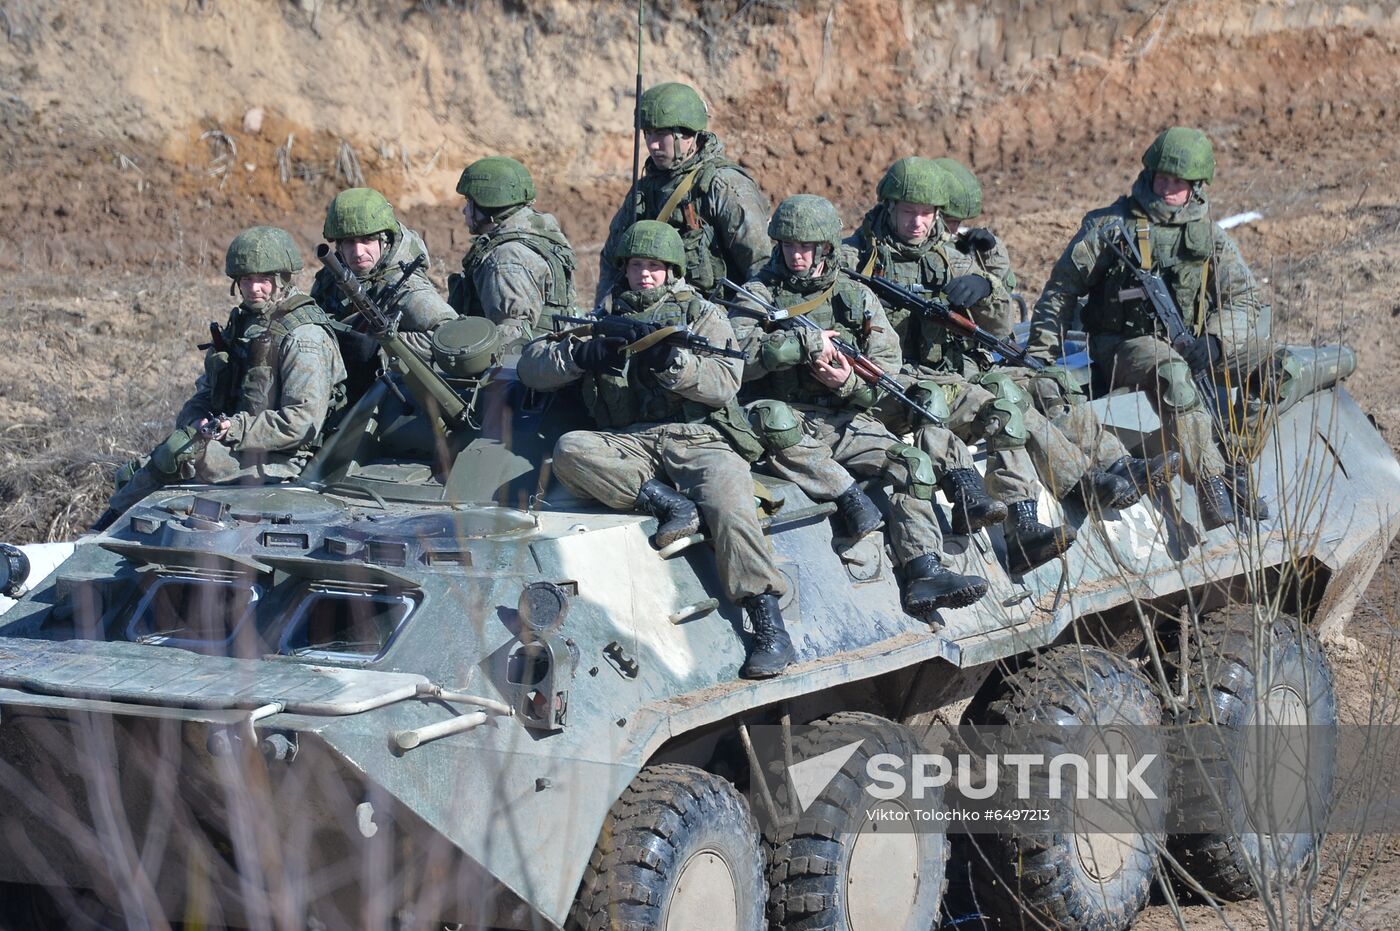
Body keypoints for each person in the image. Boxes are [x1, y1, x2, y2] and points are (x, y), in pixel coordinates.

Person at [517, 220, 796, 679]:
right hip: (629, 440)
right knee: (570, 451)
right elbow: (532, 366)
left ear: (672, 270)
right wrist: (581, 356)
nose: (645, 275)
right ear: (623, 270)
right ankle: (667, 503)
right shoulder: (600, 316)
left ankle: (767, 622)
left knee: (731, 499)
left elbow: (726, 382)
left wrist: (675, 364)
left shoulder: (702, 314)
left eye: (655, 267)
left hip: (697, 437)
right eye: (636, 266)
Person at [731, 194, 991, 614]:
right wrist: (799, 345)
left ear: (826, 248)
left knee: (911, 463)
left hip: (844, 416)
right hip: (786, 419)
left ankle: (924, 570)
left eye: (806, 247)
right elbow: (736, 355)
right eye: (788, 246)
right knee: (771, 418)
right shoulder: (757, 294)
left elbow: (888, 366)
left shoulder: (854, 295)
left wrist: (848, 381)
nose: (796, 255)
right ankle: (846, 494)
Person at [1028, 127, 1272, 528]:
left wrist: (1217, 339)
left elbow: (1243, 297)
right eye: (1161, 178)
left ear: (1196, 186)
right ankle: (1212, 486)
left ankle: (1237, 463)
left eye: (1177, 182)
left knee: (1277, 365)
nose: (1166, 188)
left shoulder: (1207, 233)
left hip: (1192, 341)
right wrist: (1041, 357)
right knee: (1174, 376)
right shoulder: (1111, 226)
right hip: (1126, 347)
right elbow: (1062, 291)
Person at [94, 227, 346, 530]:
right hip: (239, 442)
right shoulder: (246, 323)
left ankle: (107, 533)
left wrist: (233, 428)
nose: (254, 289)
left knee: (177, 458)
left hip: (288, 459)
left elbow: (301, 422)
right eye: (246, 280)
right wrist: (196, 420)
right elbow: (208, 390)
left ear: (283, 280)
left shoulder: (304, 337)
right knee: (137, 470)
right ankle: (110, 533)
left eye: (264, 280)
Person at [595, 82, 772, 301]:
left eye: (661, 134)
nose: (653, 145)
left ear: (687, 135)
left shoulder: (723, 186)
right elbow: (613, 260)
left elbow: (760, 267)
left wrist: (742, 322)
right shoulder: (643, 191)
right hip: (650, 318)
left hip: (715, 319)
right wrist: (603, 313)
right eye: (648, 134)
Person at [310, 187, 456, 402]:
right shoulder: (332, 276)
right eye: (349, 242)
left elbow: (451, 337)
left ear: (384, 241)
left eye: (367, 241)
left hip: (391, 396)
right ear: (338, 245)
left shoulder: (406, 287)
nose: (358, 252)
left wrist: (382, 348)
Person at [448, 156, 578, 351]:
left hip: (520, 372)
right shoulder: (541, 235)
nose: (464, 210)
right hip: (548, 361)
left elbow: (511, 343)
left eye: (469, 202)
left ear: (486, 204)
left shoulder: (506, 259)